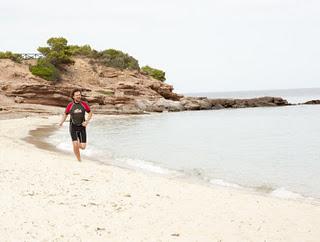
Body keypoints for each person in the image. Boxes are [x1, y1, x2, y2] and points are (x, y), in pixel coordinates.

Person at [59, 89, 93, 161]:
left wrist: (87, 121)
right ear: (73, 97)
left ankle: (78, 143)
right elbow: (65, 114)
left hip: (82, 127)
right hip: (73, 126)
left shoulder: (84, 104)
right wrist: (62, 122)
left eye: (79, 95)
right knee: (75, 144)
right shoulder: (70, 105)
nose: (78, 96)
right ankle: (79, 160)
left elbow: (90, 113)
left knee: (83, 147)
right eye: (77, 95)